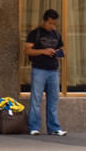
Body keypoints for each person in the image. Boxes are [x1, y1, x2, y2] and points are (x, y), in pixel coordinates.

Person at [25, 8, 67, 136]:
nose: (52, 26)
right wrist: (43, 51)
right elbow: (27, 51)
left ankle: (53, 127)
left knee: (53, 100)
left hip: (53, 70)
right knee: (36, 99)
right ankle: (34, 127)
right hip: (39, 69)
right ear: (44, 21)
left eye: (54, 24)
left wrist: (58, 53)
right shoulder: (35, 33)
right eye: (50, 23)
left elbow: (62, 49)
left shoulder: (56, 34)